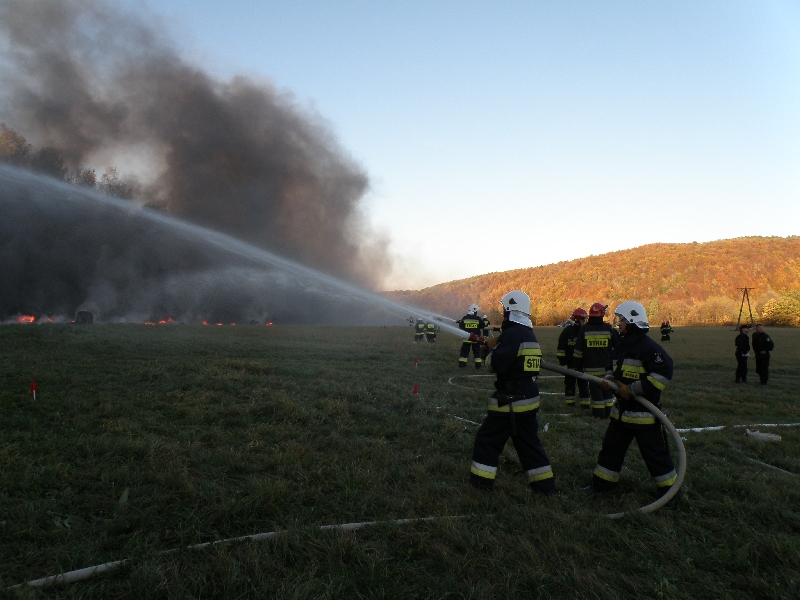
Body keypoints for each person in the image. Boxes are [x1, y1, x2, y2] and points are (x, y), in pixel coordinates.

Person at [593, 301, 677, 507]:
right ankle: (602, 487)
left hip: (644, 417)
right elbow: (611, 368)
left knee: (655, 457)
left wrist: (631, 390)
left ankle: (670, 495)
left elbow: (663, 375)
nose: (618, 323)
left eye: (621, 320)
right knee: (610, 451)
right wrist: (608, 380)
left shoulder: (649, 348)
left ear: (631, 321)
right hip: (621, 414)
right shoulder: (621, 346)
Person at [469, 290, 554, 494]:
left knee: (487, 441)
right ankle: (545, 487)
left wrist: (489, 352)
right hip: (528, 399)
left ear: (509, 311)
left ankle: (480, 487)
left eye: (504, 311)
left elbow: (495, 365)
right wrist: (498, 344)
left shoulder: (512, 335)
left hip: (511, 401)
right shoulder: (528, 334)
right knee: (529, 445)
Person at [572, 302, 617, 418]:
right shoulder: (609, 329)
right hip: (607, 370)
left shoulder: (584, 329)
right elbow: (619, 347)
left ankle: (598, 415)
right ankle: (608, 414)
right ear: (601, 314)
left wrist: (576, 365)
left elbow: (578, 352)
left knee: (596, 395)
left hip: (591, 370)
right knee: (607, 392)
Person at [556, 307, 590, 407]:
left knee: (583, 385)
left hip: (581, 364)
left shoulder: (585, 331)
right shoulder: (567, 332)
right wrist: (564, 361)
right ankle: (570, 404)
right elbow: (561, 348)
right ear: (578, 319)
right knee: (570, 384)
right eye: (583, 319)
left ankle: (585, 404)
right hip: (571, 364)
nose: (585, 322)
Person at [457, 304, 487, 369]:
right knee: (477, 353)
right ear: (475, 311)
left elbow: (461, 326)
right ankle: (478, 366)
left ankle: (462, 365)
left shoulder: (465, 318)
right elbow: (483, 326)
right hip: (475, 339)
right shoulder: (478, 318)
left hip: (466, 339)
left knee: (464, 353)